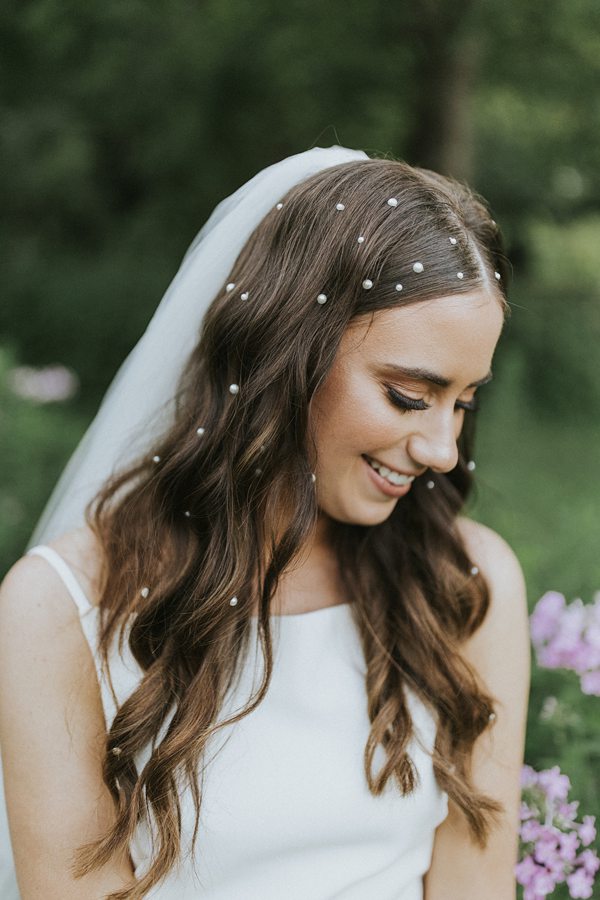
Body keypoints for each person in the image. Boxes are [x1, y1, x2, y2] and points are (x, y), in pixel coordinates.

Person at [0, 145, 530, 900]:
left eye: (464, 402)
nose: (443, 449)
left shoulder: (465, 584)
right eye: (411, 397)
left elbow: (475, 880)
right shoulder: (61, 609)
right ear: (289, 353)